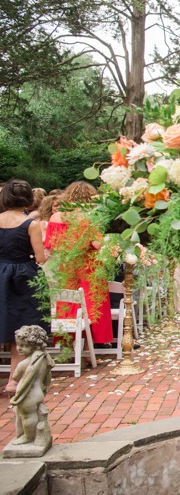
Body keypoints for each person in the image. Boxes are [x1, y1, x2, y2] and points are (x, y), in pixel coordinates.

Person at [44, 181, 114, 347]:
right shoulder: (90, 216)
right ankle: (92, 345)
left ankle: (68, 345)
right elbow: (97, 245)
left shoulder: (55, 217)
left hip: (66, 267)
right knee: (92, 305)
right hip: (89, 267)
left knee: (68, 304)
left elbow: (50, 248)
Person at [0, 179, 48, 394]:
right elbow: (39, 257)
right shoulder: (31, 224)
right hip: (23, 276)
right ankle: (13, 381)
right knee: (20, 328)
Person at [9, 324, 55, 448]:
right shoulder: (44, 358)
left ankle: (28, 436)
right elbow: (47, 375)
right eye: (18, 345)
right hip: (38, 391)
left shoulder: (24, 364)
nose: (19, 349)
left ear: (35, 346)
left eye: (24, 346)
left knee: (27, 416)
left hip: (29, 394)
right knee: (29, 414)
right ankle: (31, 435)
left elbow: (15, 377)